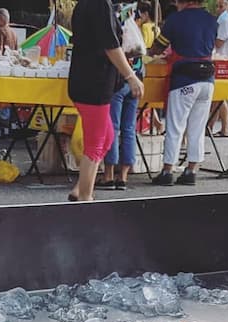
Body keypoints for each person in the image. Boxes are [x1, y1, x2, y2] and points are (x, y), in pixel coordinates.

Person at [68, 0, 144, 202]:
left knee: (107, 137)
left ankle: (79, 189)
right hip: (95, 83)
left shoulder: (88, 4)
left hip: (88, 81)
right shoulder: (99, 4)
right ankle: (86, 198)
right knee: (95, 144)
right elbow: (110, 45)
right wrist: (130, 76)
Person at [149, 0, 217, 186]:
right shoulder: (212, 20)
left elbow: (158, 47)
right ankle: (191, 170)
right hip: (208, 79)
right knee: (197, 128)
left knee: (175, 127)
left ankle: (167, 171)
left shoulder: (175, 19)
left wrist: (150, 52)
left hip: (185, 79)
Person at [99, 11, 145, 190]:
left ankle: (109, 174)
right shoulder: (134, 29)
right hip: (136, 81)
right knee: (129, 129)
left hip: (117, 82)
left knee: (113, 127)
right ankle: (124, 176)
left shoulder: (113, 29)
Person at [207, 0, 228, 138]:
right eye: (218, 6)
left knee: (219, 96)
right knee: (218, 96)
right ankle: (212, 126)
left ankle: (221, 127)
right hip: (221, 59)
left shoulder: (226, 20)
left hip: (223, 59)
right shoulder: (223, 20)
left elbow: (219, 42)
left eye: (221, 6)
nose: (218, 9)